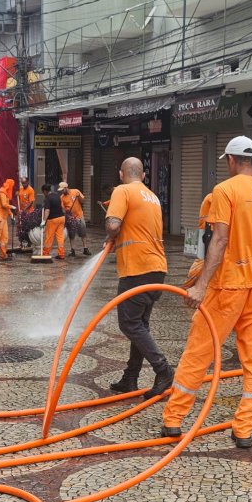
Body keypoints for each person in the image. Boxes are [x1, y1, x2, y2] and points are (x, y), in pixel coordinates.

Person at [161, 136, 252, 449]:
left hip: (228, 284)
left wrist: (201, 286)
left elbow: (218, 240)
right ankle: (244, 428)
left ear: (230, 160)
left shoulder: (224, 191)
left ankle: (174, 420)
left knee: (199, 351)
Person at [105, 157, 173, 400]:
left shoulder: (122, 191)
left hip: (136, 268)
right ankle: (130, 377)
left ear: (121, 174)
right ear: (143, 176)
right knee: (139, 325)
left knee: (129, 324)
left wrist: (112, 230)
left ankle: (163, 369)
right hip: (157, 268)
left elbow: (113, 225)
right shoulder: (152, 196)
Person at [59, 181, 91, 257]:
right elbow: (63, 210)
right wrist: (67, 211)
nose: (62, 192)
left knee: (83, 232)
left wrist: (79, 196)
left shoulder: (76, 191)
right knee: (71, 234)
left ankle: (85, 248)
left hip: (79, 216)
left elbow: (83, 201)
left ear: (66, 188)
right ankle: (72, 250)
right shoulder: (61, 197)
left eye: (62, 190)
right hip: (70, 218)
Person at [41, 183, 65, 260]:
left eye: (43, 192)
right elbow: (62, 207)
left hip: (53, 220)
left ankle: (45, 254)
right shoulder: (57, 195)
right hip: (61, 218)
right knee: (60, 237)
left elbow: (47, 211)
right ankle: (61, 254)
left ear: (45, 191)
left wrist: (43, 221)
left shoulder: (47, 198)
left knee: (49, 237)